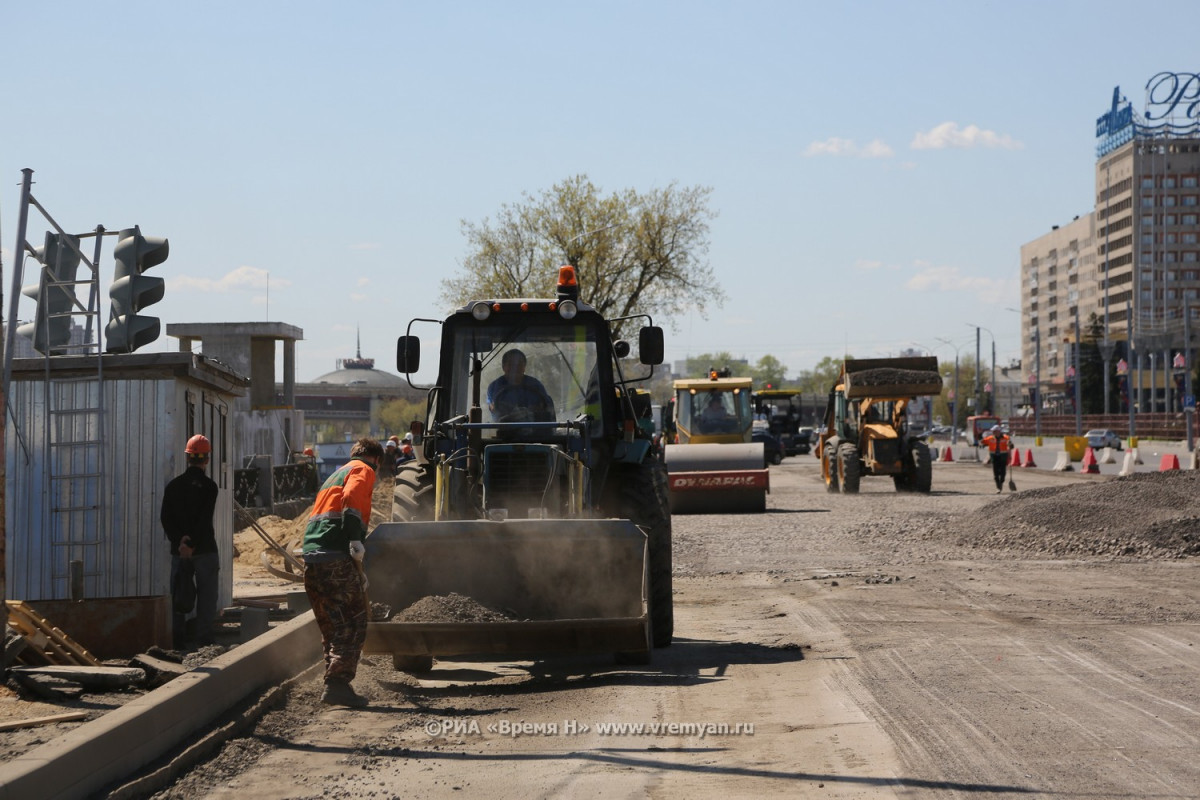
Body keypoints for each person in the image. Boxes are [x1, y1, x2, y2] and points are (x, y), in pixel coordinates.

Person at [301, 437, 384, 707]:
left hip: (314, 559)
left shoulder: (335, 474)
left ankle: (333, 681)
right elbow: (351, 500)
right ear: (377, 460)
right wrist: (354, 539)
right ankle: (337, 685)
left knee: (332, 625)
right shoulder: (363, 469)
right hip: (336, 555)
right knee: (352, 622)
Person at [161, 434, 220, 649]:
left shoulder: (173, 486)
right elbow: (204, 520)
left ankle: (177, 638)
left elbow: (165, 518)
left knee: (179, 594)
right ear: (206, 459)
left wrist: (181, 543)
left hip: (180, 551)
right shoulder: (209, 487)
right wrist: (193, 543)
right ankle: (204, 639)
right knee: (207, 595)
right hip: (204, 549)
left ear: (187, 457)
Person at [487, 348, 554, 422]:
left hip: (534, 430)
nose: (515, 367)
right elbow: (493, 408)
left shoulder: (536, 385)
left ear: (524, 367)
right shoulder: (494, 387)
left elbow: (546, 408)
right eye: (510, 364)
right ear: (503, 367)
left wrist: (528, 413)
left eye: (519, 364)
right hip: (506, 429)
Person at [981, 426, 1015, 494]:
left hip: (1003, 457)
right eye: (993, 431)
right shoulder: (990, 438)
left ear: (998, 431)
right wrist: (982, 443)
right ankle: (998, 487)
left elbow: (1010, 445)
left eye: (995, 431)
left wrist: (1010, 445)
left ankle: (1001, 483)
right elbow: (983, 442)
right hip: (994, 458)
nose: (993, 432)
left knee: (1003, 473)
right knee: (996, 474)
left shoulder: (1006, 438)